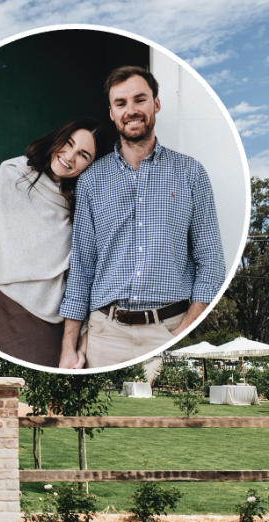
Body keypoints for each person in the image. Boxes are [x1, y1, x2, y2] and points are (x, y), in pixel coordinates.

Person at [59, 66, 226, 369]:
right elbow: (82, 268)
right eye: (121, 103)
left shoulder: (191, 174)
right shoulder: (91, 180)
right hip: (105, 336)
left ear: (156, 104)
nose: (131, 110)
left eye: (140, 99)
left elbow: (211, 262)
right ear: (112, 113)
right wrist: (68, 347)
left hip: (169, 331)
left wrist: (183, 331)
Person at [0, 118, 110, 366]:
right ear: (57, 138)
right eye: (68, 143)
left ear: (92, 166)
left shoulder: (82, 206)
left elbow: (82, 278)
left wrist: (79, 343)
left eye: (83, 155)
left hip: (53, 328)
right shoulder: (2, 181)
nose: (70, 156)